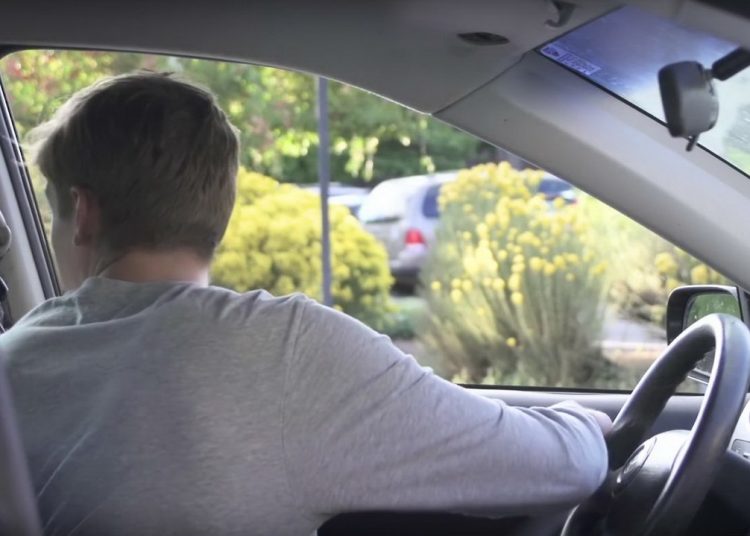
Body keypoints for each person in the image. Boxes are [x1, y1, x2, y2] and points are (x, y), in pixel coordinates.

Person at [0, 72, 611, 536]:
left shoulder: (13, 362)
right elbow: (565, 465)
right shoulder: (286, 349)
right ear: (217, 208)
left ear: (82, 212)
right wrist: (595, 423)